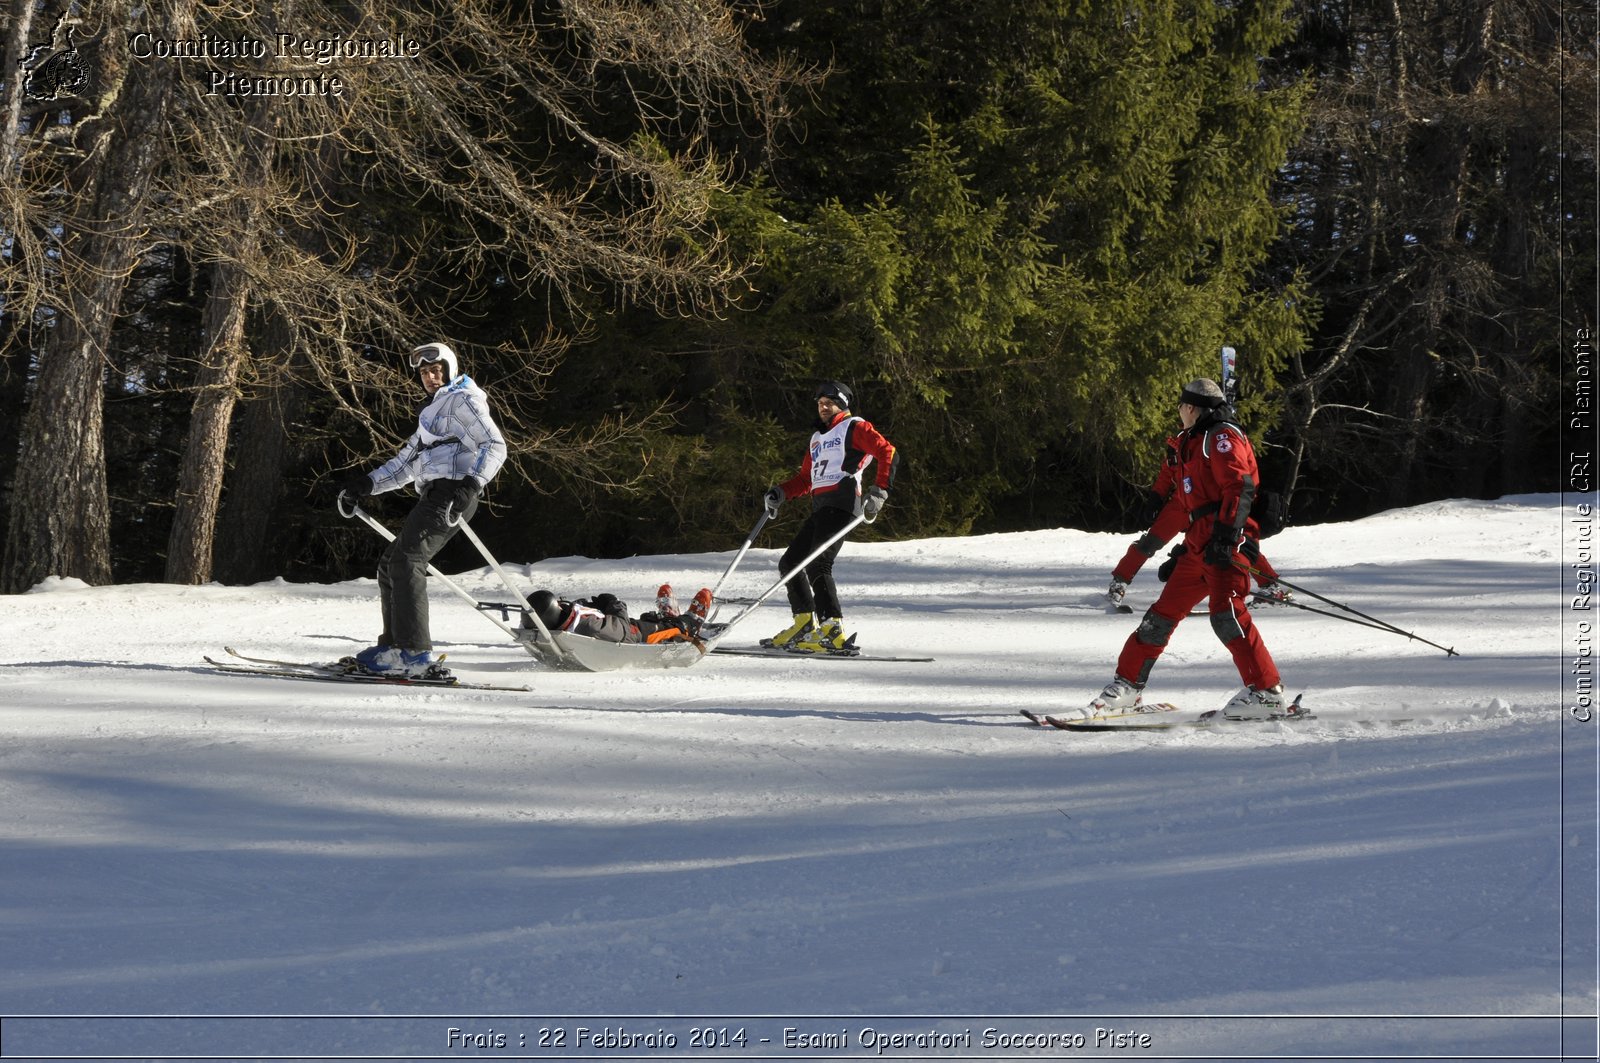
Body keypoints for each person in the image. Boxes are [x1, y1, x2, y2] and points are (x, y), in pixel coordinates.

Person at [1083, 377, 1286, 719]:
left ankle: (1267, 693)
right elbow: (1194, 501)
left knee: (1227, 613)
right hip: (1199, 547)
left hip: (1225, 543)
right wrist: (1182, 550)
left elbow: (1239, 487)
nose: (1179, 412)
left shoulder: (1220, 436)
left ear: (1191, 407)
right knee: (1160, 616)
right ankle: (1128, 688)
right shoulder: (1190, 442)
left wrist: (1226, 538)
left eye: (1181, 406)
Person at [337, 342, 508, 676]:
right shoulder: (433, 412)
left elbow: (494, 445)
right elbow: (405, 465)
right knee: (390, 564)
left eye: (436, 370)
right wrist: (365, 486)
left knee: (407, 560)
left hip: (452, 492)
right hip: (435, 493)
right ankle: (392, 646)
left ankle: (414, 652)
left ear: (450, 368)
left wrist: (472, 485)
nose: (430, 377)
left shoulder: (463, 400)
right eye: (425, 373)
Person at [760, 380, 899, 653]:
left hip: (844, 504)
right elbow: (805, 479)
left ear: (842, 404)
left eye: (829, 403)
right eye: (820, 403)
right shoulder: (817, 438)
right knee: (790, 563)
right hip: (822, 507)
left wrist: (880, 490)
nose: (823, 408)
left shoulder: (854, 427)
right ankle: (804, 623)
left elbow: (887, 451)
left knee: (818, 564)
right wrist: (781, 492)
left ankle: (833, 629)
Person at [1108, 436, 1289, 608]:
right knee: (1151, 541)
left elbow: (1238, 472)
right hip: (1181, 503)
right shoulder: (1182, 438)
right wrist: (1157, 496)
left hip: (1209, 504)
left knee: (1237, 542)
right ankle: (1119, 582)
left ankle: (1270, 586)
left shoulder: (1219, 435)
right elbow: (1169, 470)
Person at [522, 585, 712, 644]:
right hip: (635, 635)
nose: (563, 607)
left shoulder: (561, 623)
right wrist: (614, 604)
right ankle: (691, 622)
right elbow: (623, 631)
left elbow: (576, 609)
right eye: (559, 606)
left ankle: (666, 615)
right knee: (671, 628)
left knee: (646, 619)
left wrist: (589, 604)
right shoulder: (587, 627)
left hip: (624, 627)